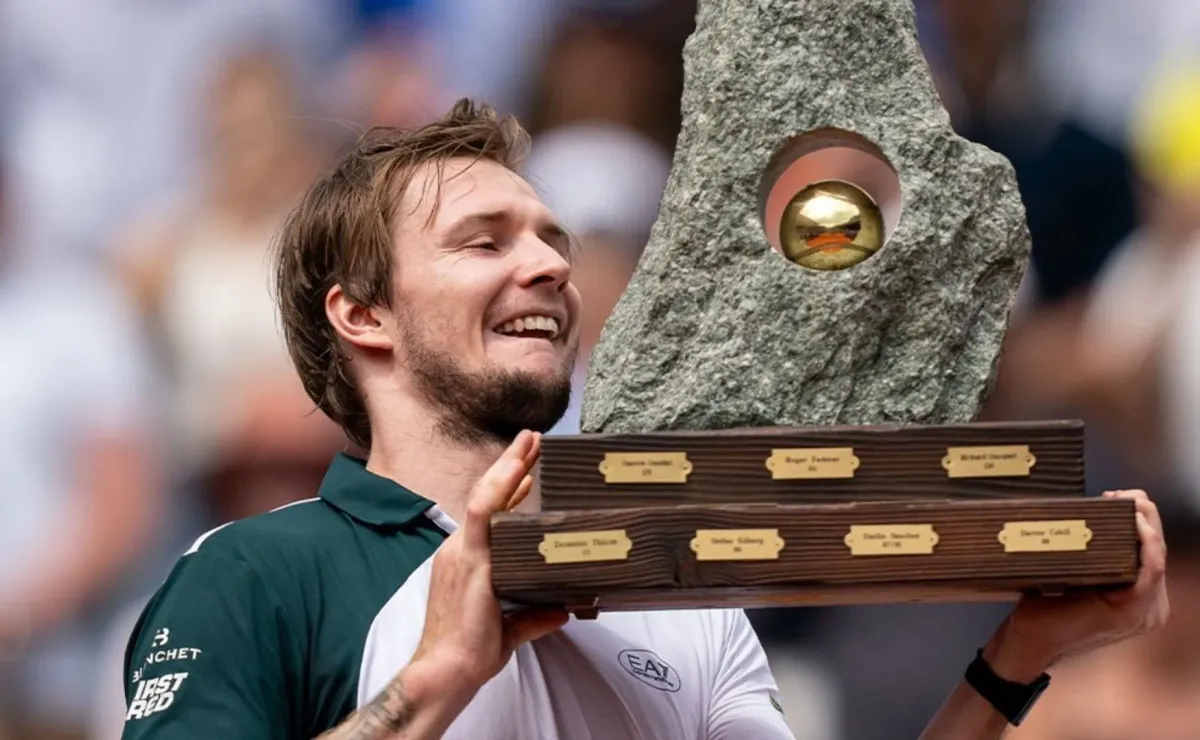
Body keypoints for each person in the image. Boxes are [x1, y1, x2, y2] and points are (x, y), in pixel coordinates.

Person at [118, 99, 1169, 740]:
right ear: (362, 313)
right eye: (485, 241)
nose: (549, 264)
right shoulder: (252, 574)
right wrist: (440, 674)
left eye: (552, 239)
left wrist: (1014, 659)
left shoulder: (683, 601)